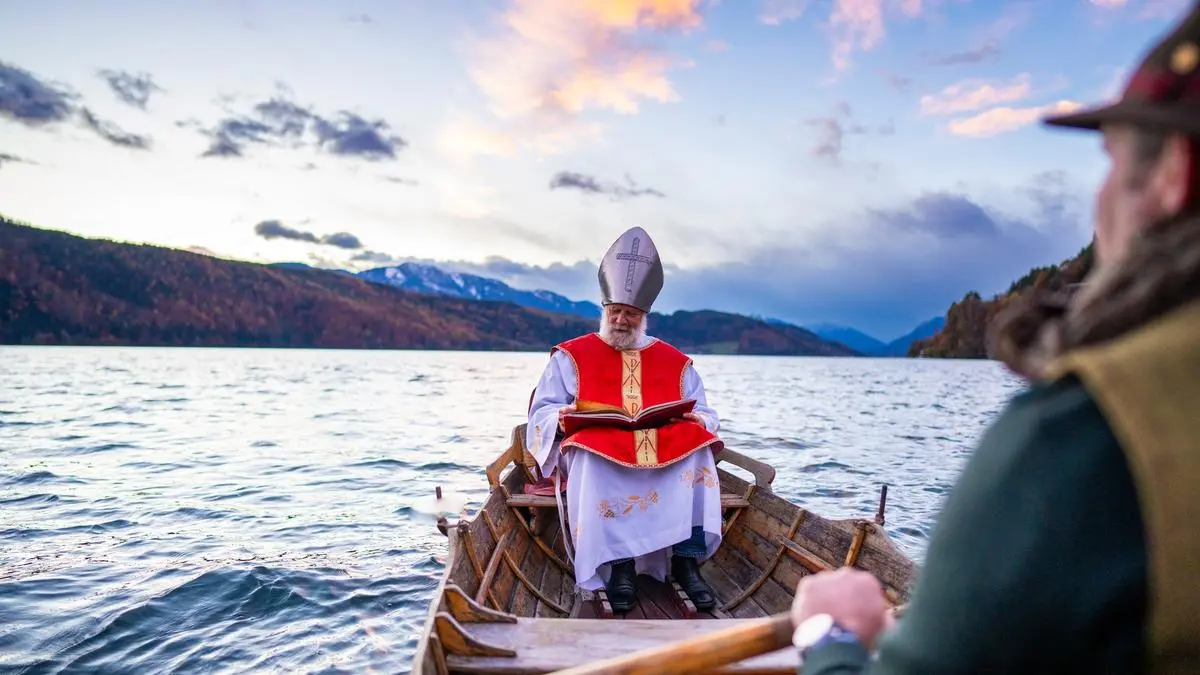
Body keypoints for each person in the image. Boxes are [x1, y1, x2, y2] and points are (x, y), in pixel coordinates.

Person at [788, 3, 1200, 673]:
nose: (1100, 198)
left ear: (1171, 172)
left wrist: (828, 638)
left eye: (1111, 161)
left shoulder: (1095, 431)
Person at [526, 226, 725, 613]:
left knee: (698, 454)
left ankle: (686, 564)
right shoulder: (570, 356)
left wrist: (698, 420)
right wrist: (562, 416)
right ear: (604, 310)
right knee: (589, 459)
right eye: (614, 311)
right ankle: (620, 567)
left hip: (660, 442)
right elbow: (541, 411)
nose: (620, 319)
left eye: (630, 313)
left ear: (643, 315)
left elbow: (705, 412)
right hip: (600, 443)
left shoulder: (675, 362)